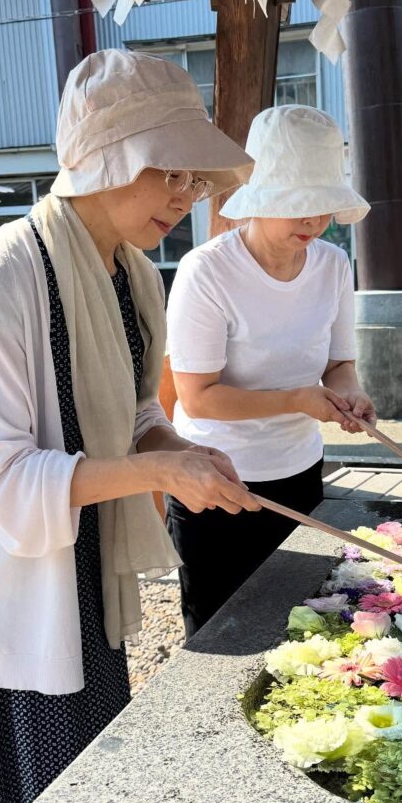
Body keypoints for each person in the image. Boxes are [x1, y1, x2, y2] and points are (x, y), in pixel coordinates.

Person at [0, 50, 262, 803]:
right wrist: (157, 465)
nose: (188, 195)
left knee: (80, 767)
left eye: (196, 179)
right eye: (172, 172)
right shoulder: (2, 275)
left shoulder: (134, 274)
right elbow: (2, 477)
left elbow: (128, 416)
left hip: (79, 542)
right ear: (106, 159)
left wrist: (178, 450)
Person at [165, 105, 375, 638]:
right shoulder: (207, 271)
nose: (311, 220)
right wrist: (298, 399)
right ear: (258, 200)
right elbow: (198, 398)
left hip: (300, 470)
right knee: (222, 633)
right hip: (216, 481)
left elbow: (339, 362)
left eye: (322, 204)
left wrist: (349, 394)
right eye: (295, 204)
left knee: (300, 624)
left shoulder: (332, 264)